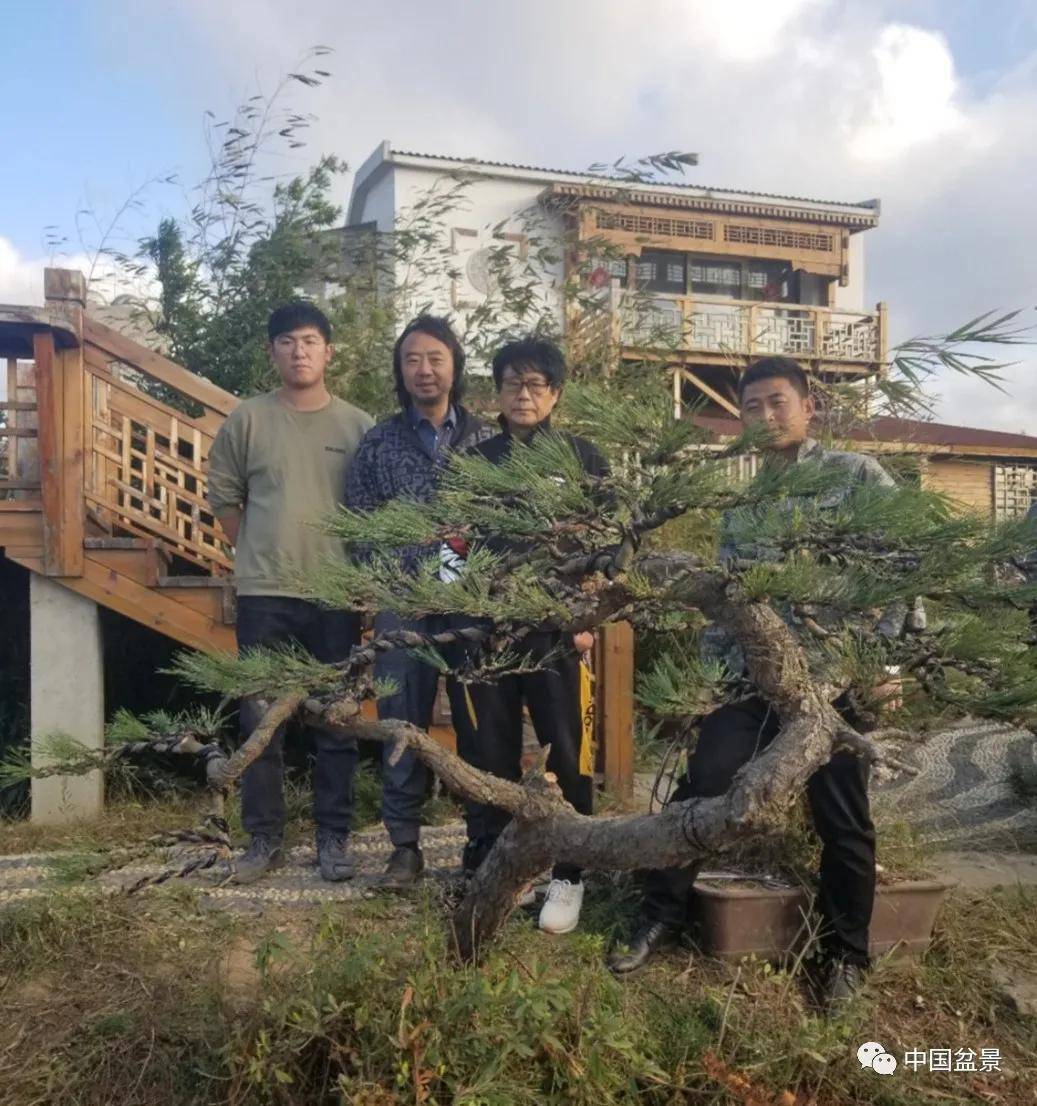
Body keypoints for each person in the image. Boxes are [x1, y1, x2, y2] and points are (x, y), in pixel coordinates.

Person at [607, 355, 907, 1012]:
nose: (764, 417)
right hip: (751, 678)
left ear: (808, 407)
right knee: (703, 783)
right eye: (750, 407)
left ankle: (844, 953)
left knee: (843, 817)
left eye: (776, 402)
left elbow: (903, 569)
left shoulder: (857, 478)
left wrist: (882, 666)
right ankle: (660, 912)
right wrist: (707, 686)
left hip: (833, 684)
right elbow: (728, 597)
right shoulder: (743, 501)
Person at [207, 301, 374, 884]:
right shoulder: (248, 419)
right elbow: (223, 496)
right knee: (260, 721)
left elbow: (373, 510)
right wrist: (254, 550)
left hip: (334, 595)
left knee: (337, 722)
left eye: (309, 340)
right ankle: (264, 839)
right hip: (265, 595)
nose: (298, 351)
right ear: (272, 352)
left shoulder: (358, 425)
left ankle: (334, 837)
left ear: (329, 351)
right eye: (286, 341)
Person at [459, 336, 607, 935]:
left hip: (556, 637)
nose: (524, 394)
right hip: (488, 635)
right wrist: (462, 616)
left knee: (568, 754)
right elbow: (452, 544)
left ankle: (570, 874)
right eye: (513, 383)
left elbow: (610, 543)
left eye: (537, 384)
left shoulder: (583, 458)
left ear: (556, 395)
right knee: (488, 756)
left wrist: (585, 616)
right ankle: (496, 866)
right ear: (496, 391)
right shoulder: (474, 461)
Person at [344, 315, 493, 888]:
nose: (424, 370)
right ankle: (404, 847)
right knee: (400, 722)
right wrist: (389, 579)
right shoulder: (379, 441)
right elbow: (358, 523)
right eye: (412, 359)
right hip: (403, 605)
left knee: (482, 725)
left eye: (434, 358)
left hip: (471, 604)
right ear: (399, 371)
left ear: (454, 363)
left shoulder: (487, 439)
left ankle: (483, 841)